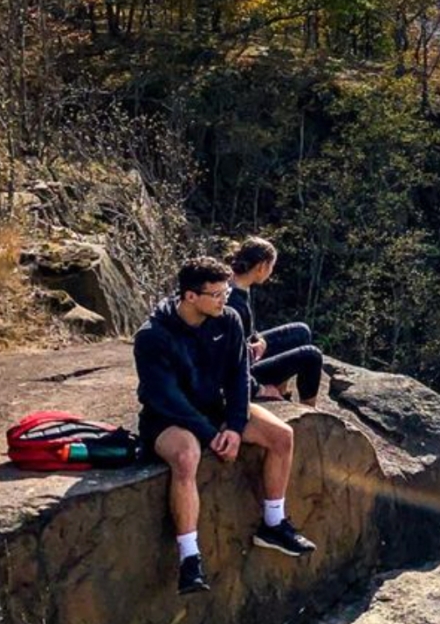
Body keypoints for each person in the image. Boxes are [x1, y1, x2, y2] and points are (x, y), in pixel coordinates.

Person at [135, 257, 316, 595]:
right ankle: (190, 559)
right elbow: (166, 397)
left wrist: (233, 425)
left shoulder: (228, 320)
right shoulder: (152, 336)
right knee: (187, 457)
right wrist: (211, 435)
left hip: (215, 407)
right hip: (168, 417)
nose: (225, 299)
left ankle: (273, 523)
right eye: (216, 294)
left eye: (226, 291)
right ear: (190, 297)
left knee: (281, 435)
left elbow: (237, 377)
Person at [226, 237, 324, 408]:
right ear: (261, 266)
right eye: (271, 266)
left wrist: (256, 339)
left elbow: (243, 330)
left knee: (301, 331)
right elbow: (229, 363)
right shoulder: (233, 303)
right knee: (312, 355)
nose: (271, 271)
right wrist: (259, 389)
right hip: (242, 373)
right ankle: (308, 412)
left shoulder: (235, 284)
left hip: (246, 352)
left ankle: (282, 393)